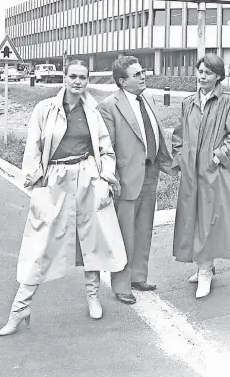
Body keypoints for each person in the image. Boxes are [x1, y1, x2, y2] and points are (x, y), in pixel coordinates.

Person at [0, 60, 127, 336]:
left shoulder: (93, 111)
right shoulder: (45, 109)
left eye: (83, 77)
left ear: (87, 80)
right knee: (41, 243)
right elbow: (33, 146)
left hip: (87, 175)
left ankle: (93, 296)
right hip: (55, 179)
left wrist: (105, 179)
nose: (78, 82)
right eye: (73, 77)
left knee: (94, 238)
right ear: (64, 78)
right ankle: (20, 308)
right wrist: (36, 183)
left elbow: (105, 149)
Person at [98, 56, 174, 305]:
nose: (143, 77)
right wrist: (113, 179)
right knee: (124, 234)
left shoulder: (146, 99)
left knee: (143, 230)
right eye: (137, 74)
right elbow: (106, 147)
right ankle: (121, 284)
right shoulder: (109, 106)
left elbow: (155, 133)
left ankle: (138, 276)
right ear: (122, 81)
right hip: (126, 179)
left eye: (143, 73)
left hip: (150, 174)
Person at [172, 54, 230, 298]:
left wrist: (217, 157)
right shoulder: (188, 103)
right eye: (200, 72)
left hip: (214, 171)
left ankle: (205, 270)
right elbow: (179, 134)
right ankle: (204, 264)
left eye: (207, 73)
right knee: (193, 218)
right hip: (191, 173)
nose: (201, 77)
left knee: (210, 220)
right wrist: (181, 158)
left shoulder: (227, 103)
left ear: (218, 77)